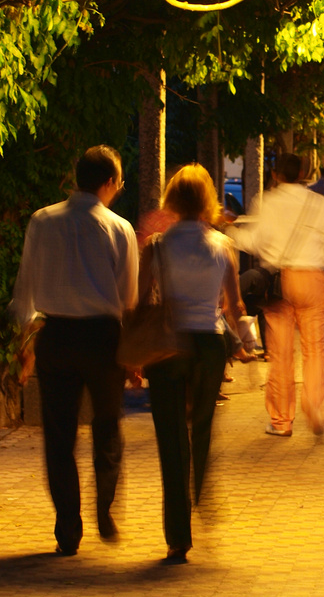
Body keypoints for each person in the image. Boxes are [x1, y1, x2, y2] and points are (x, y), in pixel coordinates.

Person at [10, 145, 138, 556]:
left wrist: (24, 344)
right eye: (119, 182)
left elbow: (23, 293)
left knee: (59, 436)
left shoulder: (42, 221)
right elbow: (128, 298)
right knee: (107, 424)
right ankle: (104, 505)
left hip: (57, 338)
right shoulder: (120, 228)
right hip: (103, 338)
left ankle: (68, 525)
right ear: (108, 183)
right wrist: (132, 353)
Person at [138, 164, 245, 563]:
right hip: (210, 344)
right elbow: (234, 305)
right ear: (207, 201)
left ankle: (177, 535)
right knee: (201, 427)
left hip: (167, 346)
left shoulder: (157, 245)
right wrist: (245, 343)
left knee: (170, 438)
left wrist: (136, 353)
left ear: (171, 200)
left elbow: (138, 299)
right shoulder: (222, 245)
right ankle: (201, 493)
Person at [238, 153, 324, 437]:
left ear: (275, 174)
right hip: (313, 279)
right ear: (303, 173)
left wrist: (231, 230)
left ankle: (282, 420)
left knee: (281, 353)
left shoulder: (267, 203)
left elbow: (254, 240)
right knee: (315, 348)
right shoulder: (322, 205)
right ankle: (315, 406)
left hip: (279, 282)